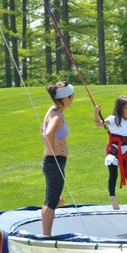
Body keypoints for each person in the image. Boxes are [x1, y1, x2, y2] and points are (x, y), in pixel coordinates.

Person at [41, 81, 74, 236]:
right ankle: (46, 236)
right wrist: (53, 148)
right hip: (54, 162)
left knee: (51, 199)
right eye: (72, 96)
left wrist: (51, 147)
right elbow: (48, 133)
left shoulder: (54, 111)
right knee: (52, 202)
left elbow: (41, 132)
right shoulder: (56, 116)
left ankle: (45, 234)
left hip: (54, 163)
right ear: (66, 98)